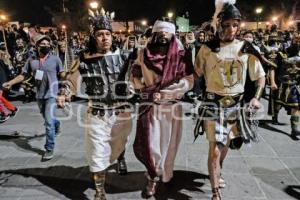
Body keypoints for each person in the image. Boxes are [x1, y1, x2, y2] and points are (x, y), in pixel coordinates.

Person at [194, 1, 266, 199]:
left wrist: (256, 98)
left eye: (235, 25)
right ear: (219, 25)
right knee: (215, 149)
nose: (231, 29)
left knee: (225, 145)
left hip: (236, 106)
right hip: (212, 104)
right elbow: (194, 73)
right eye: (226, 25)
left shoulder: (246, 48)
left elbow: (260, 76)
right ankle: (215, 191)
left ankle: (219, 169)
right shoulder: (207, 49)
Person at [60, 8, 133, 200]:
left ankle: (120, 157)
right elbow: (70, 80)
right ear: (94, 37)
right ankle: (100, 192)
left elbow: (137, 78)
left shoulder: (125, 56)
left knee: (119, 142)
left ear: (112, 35)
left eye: (107, 34)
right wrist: (64, 93)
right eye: (100, 34)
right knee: (97, 151)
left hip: (121, 112)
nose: (104, 38)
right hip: (97, 113)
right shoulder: (83, 58)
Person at [129, 19, 194, 197]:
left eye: (167, 32)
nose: (164, 35)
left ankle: (166, 174)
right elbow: (134, 74)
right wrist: (142, 89)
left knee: (170, 145)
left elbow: (189, 81)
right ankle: (152, 177)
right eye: (160, 32)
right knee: (152, 146)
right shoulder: (143, 53)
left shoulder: (181, 55)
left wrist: (168, 92)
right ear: (155, 34)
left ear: (172, 35)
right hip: (151, 108)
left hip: (172, 108)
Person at [3, 34, 64, 161]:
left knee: (48, 123)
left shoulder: (55, 59)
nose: (46, 46)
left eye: (48, 44)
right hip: (39, 95)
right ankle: (57, 125)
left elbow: (62, 74)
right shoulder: (31, 60)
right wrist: (11, 82)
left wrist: (65, 86)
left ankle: (49, 148)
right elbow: (23, 75)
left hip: (52, 94)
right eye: (43, 44)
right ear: (36, 46)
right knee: (49, 119)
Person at [270, 32, 300, 139]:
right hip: (281, 85)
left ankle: (294, 129)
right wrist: (273, 82)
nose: (297, 42)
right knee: (278, 104)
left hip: (294, 86)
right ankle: (275, 117)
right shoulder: (281, 53)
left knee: (296, 106)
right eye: (296, 40)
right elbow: (273, 68)